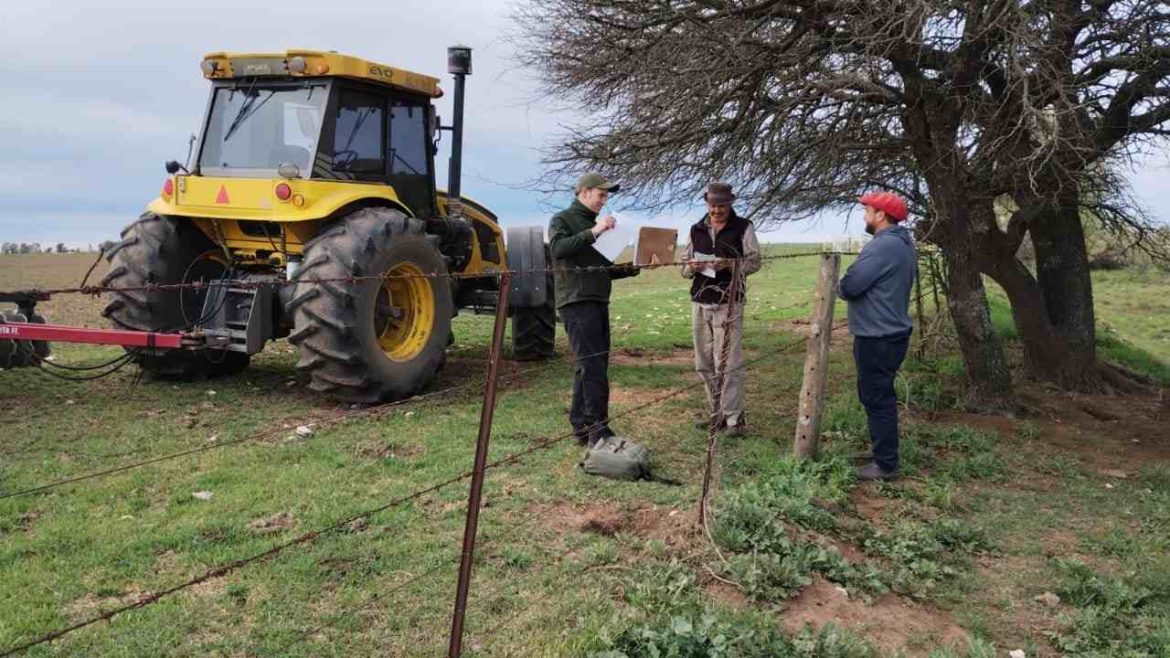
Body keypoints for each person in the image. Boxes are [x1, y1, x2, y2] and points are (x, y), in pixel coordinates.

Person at [549, 172, 640, 446]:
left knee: (591, 365)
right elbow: (557, 249)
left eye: (606, 196)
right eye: (601, 194)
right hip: (576, 301)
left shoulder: (595, 223)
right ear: (585, 192)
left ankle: (580, 426)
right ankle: (598, 430)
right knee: (593, 367)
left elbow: (601, 269)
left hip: (598, 299)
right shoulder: (563, 219)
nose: (604, 200)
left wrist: (635, 267)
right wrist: (594, 232)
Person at [839, 191, 917, 480]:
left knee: (877, 398)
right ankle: (882, 453)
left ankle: (885, 464)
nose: (864, 215)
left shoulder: (883, 247)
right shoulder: (902, 244)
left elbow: (852, 284)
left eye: (867, 210)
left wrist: (841, 284)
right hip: (891, 331)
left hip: (878, 335)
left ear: (880, 215)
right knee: (879, 395)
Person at [681, 182, 761, 437]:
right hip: (700, 300)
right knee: (703, 362)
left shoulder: (744, 227)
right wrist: (691, 267)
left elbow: (755, 261)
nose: (717, 210)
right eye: (713, 205)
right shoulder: (695, 230)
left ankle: (734, 419)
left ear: (730, 204)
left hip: (730, 302)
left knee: (729, 362)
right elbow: (682, 267)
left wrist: (730, 265)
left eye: (722, 205)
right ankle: (716, 414)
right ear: (707, 203)